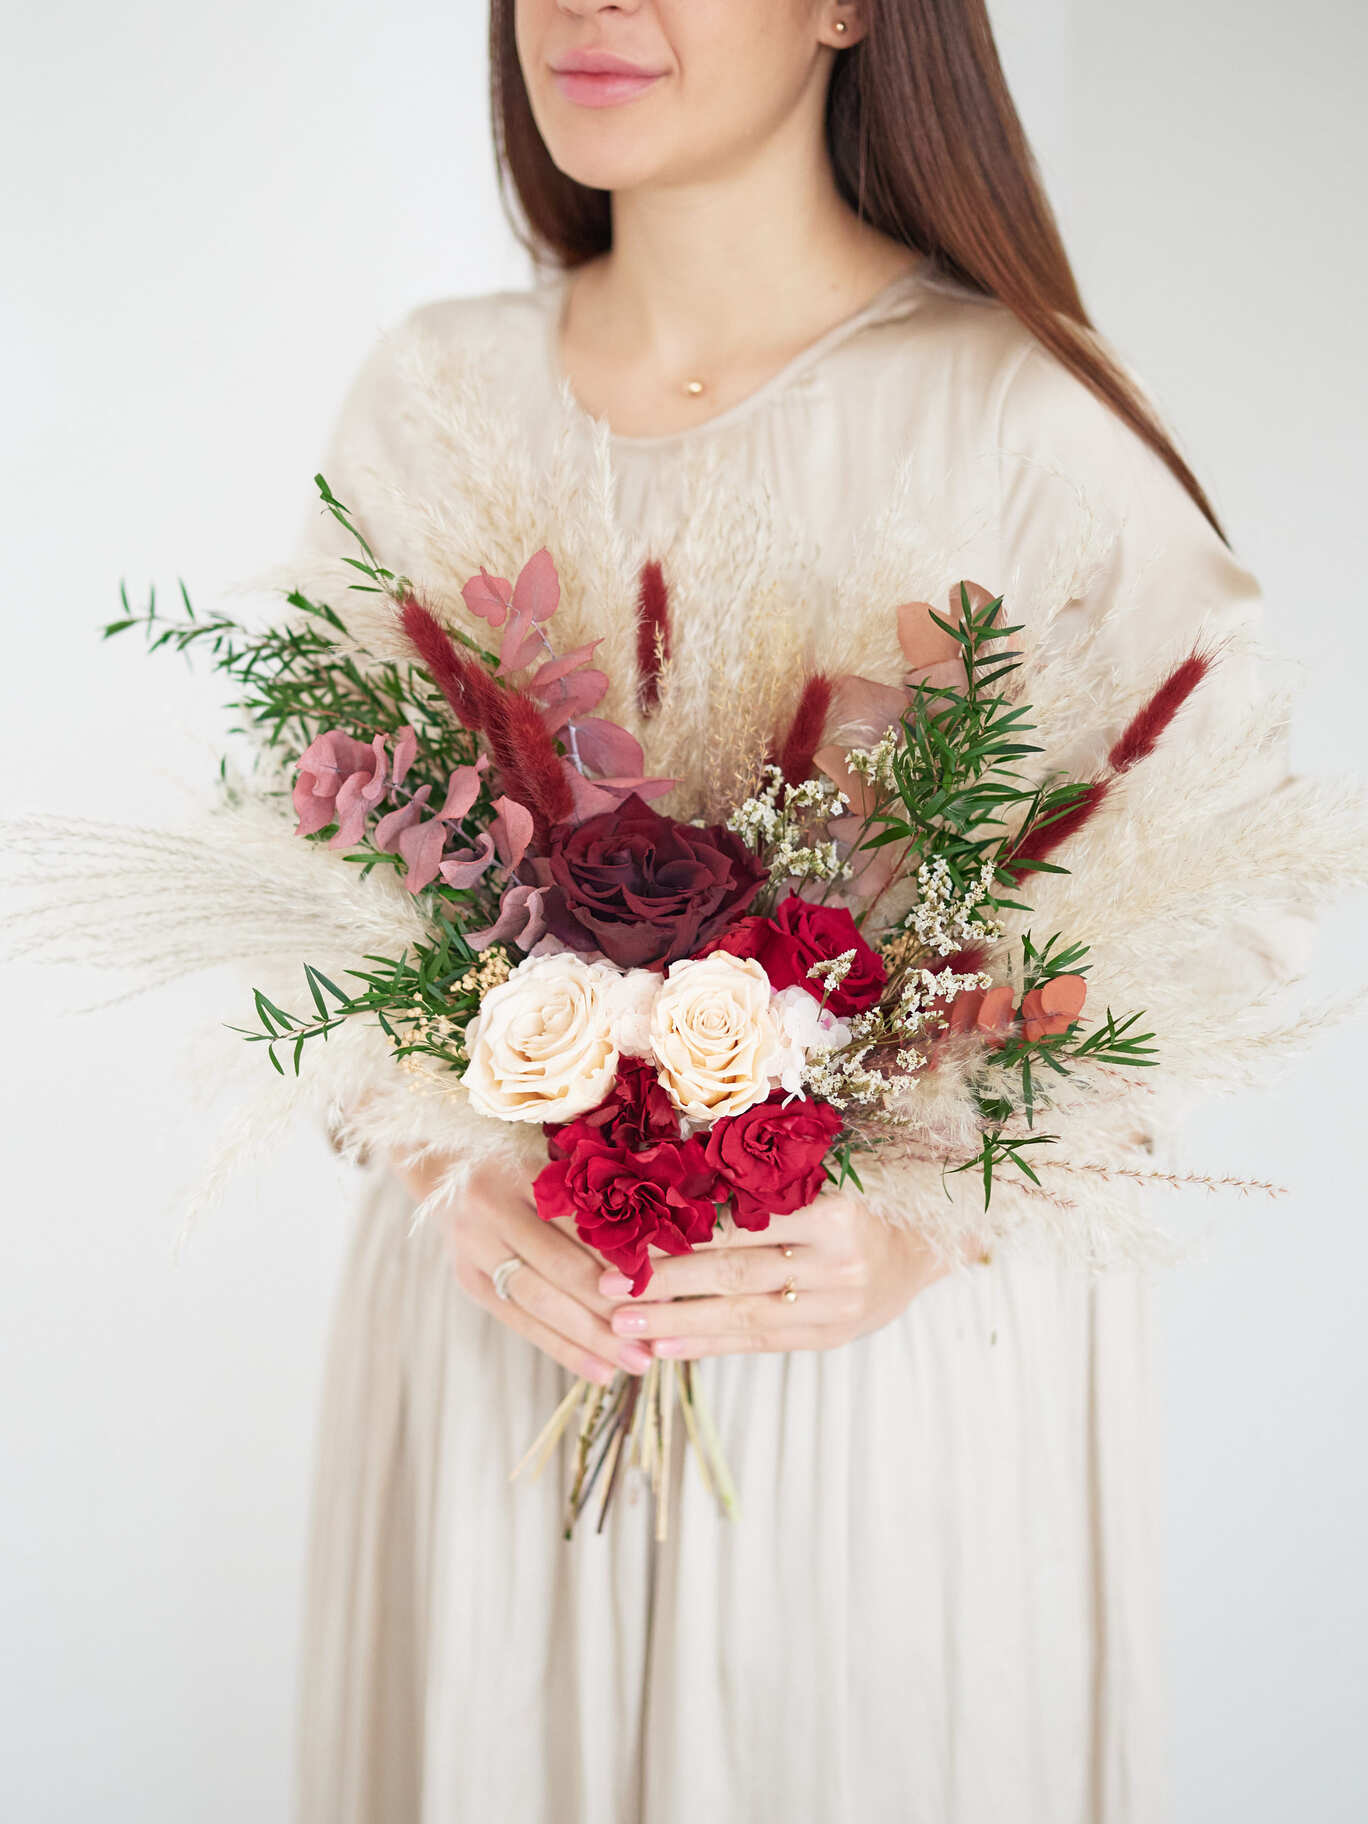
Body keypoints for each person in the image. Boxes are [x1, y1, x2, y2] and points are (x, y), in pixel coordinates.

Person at [290, 4, 1298, 1820]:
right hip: (502, 1353)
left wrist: (927, 1216)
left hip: (858, 1380)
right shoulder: (434, 390)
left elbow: (1234, 879)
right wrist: (450, 1159)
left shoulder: (1008, 409)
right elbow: (301, 855)